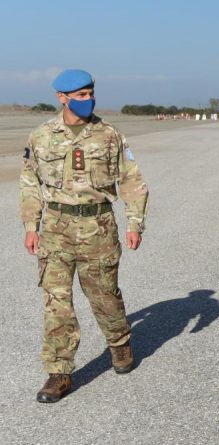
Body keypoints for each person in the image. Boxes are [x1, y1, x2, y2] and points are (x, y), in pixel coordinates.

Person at [19, 69, 149, 403]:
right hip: (56, 229)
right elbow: (30, 184)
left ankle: (119, 343)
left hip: (99, 227)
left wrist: (135, 223)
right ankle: (58, 372)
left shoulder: (109, 135)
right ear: (61, 97)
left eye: (90, 92)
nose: (87, 99)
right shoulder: (41, 136)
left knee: (105, 296)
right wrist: (31, 226)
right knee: (56, 302)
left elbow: (131, 179)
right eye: (79, 95)